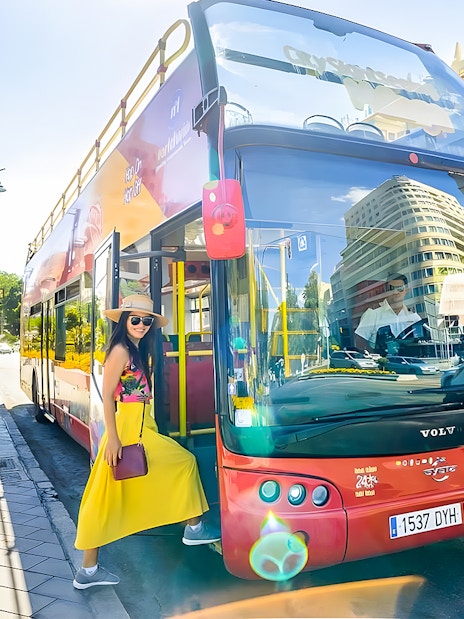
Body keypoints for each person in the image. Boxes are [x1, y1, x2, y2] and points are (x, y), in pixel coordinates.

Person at [73, 294, 220, 589]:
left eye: (147, 320)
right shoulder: (120, 351)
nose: (141, 324)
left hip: (141, 423)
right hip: (131, 428)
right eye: (135, 319)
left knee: (107, 495)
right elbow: (108, 397)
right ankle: (193, 526)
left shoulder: (136, 350)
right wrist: (113, 438)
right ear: (125, 321)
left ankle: (87, 572)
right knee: (184, 463)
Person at [355, 273, 421, 354]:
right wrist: (375, 357)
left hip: (408, 363)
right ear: (386, 291)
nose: (395, 292)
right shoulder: (373, 313)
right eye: (391, 288)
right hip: (382, 364)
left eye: (400, 288)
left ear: (406, 290)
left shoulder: (413, 317)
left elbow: (421, 341)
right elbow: (359, 341)